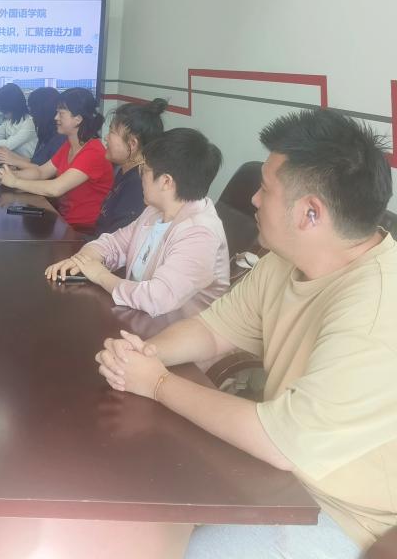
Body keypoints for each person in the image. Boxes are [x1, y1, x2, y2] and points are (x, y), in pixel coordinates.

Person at [95, 109, 397, 559]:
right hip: (275, 471)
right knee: (132, 505)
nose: (253, 199)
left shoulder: (376, 309)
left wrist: (156, 383)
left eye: (266, 189)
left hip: (342, 513)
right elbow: (213, 329)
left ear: (310, 213)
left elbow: (280, 442)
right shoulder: (286, 261)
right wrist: (143, 354)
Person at [46, 128, 229, 316]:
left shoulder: (200, 234)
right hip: (136, 317)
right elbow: (114, 243)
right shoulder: (155, 211)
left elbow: (156, 298)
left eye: (144, 170)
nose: (140, 176)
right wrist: (83, 260)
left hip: (172, 328)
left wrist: (100, 275)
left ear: (166, 182)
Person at [0, 87, 113, 229]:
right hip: (65, 222)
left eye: (61, 113)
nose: (56, 117)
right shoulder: (69, 145)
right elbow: (41, 172)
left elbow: (55, 188)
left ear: (78, 119)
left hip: (83, 229)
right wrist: (11, 175)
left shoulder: (92, 152)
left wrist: (15, 182)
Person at [91, 98, 168, 236]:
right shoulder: (124, 171)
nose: (106, 138)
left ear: (132, 143)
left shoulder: (138, 184)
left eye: (111, 132)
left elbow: (118, 240)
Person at [0, 86, 67, 168]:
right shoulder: (46, 131)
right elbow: (36, 161)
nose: (31, 113)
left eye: (32, 108)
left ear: (43, 111)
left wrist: (15, 161)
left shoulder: (59, 138)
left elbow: (42, 169)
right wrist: (11, 156)